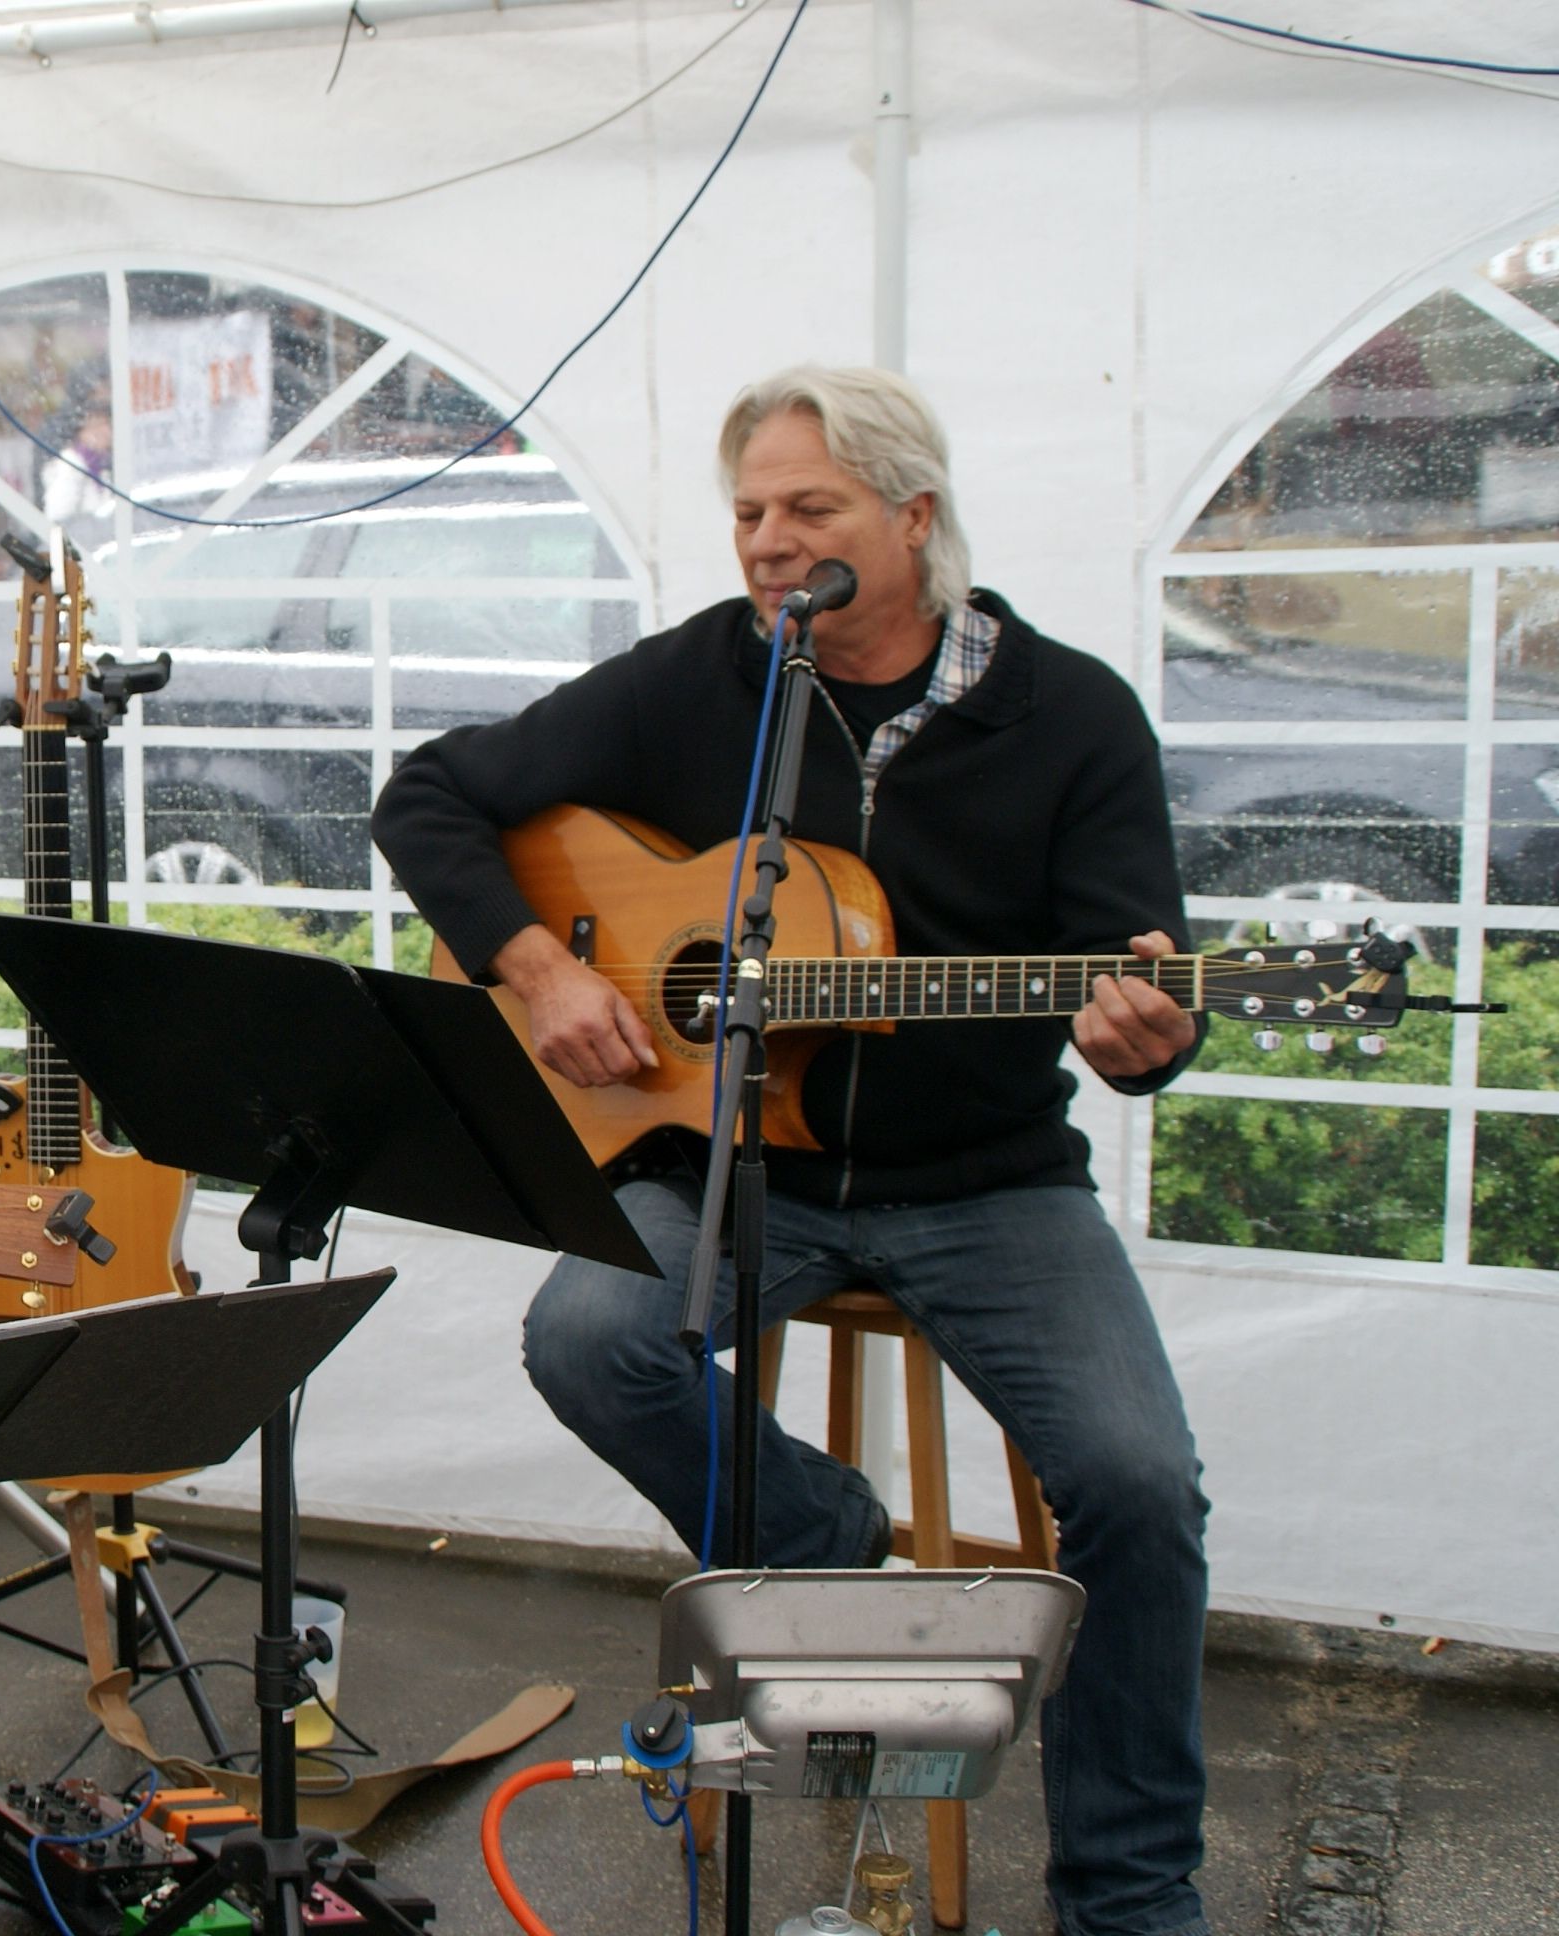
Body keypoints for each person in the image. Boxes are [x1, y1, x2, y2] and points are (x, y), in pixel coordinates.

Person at [372, 366, 1212, 1936]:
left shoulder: (1071, 714)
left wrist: (1141, 1033)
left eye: (808, 507)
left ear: (913, 515)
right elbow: (430, 797)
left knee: (1138, 1483)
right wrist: (542, 973)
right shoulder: (707, 678)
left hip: (986, 1183)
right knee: (587, 1335)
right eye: (749, 510)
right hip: (721, 1162)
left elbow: (1137, 987)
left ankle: (1128, 1888)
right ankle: (819, 1532)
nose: (767, 540)